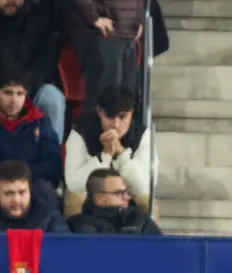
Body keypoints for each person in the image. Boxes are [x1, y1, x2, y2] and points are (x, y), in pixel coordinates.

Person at [64, 85, 153, 217]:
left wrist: (122, 154)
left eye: (122, 117)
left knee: (148, 200)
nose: (116, 125)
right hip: (92, 197)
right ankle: (76, 237)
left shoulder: (142, 135)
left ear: (132, 112)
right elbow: (73, 184)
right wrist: (105, 156)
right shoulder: (80, 133)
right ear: (100, 112)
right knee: (73, 197)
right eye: (110, 117)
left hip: (127, 195)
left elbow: (144, 188)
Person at [0, 0, 66, 142]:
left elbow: (46, 61)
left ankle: (50, 159)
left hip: (31, 87)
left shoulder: (41, 16)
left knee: (52, 97)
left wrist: (22, 88)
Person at [69, 0, 144, 111]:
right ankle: (93, 127)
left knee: (126, 98)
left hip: (128, 35)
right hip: (104, 33)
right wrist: (95, 18)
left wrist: (140, 20)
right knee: (106, 97)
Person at [0, 69, 61, 191]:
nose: (13, 100)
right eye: (8, 93)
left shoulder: (40, 123)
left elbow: (53, 166)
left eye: (19, 94)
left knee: (45, 192)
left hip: (31, 185)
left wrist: (23, 176)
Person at [67, 168, 162, 235]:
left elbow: (162, 251)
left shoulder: (141, 220)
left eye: (126, 192)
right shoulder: (79, 224)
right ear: (99, 198)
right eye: (119, 193)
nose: (126, 197)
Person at [0, 159, 67, 232]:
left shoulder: (48, 216)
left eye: (22, 192)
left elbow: (65, 242)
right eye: (9, 193)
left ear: (30, 191)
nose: (16, 200)